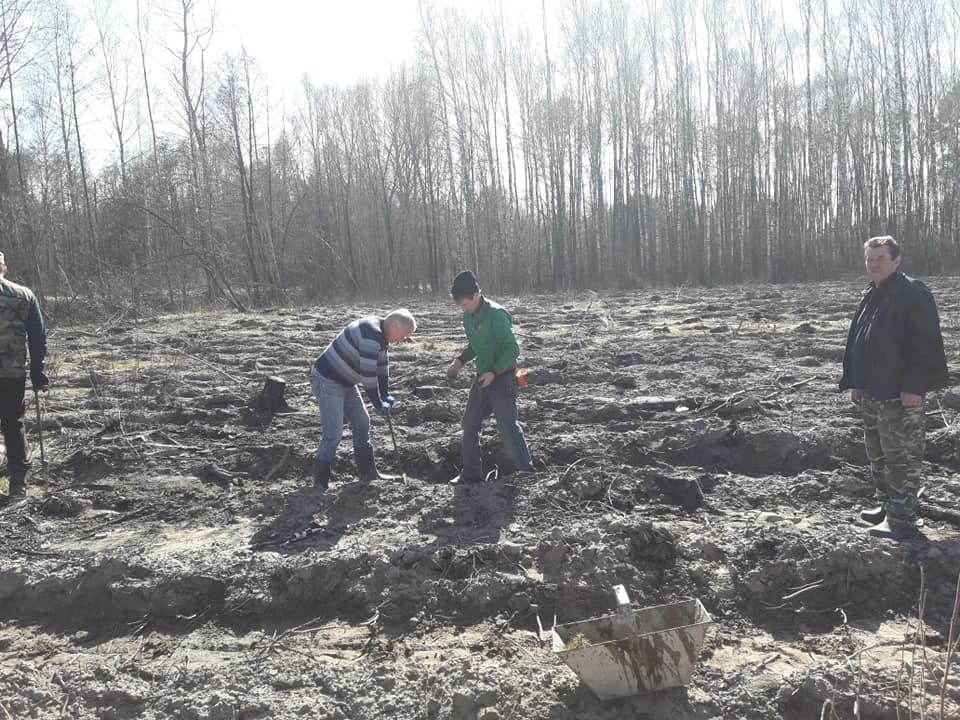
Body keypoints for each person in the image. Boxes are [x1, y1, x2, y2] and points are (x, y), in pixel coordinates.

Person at [839, 236, 948, 540]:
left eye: (882, 258)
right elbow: (863, 342)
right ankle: (886, 506)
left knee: (902, 457)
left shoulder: (912, 293)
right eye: (870, 259)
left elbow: (926, 345)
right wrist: (857, 382)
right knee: (877, 453)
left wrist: (915, 386)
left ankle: (901, 520)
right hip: (873, 391)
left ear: (897, 260)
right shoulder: (873, 294)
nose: (874, 264)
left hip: (901, 395)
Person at [309, 309, 416, 490]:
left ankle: (368, 473)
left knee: (362, 422)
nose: (403, 339)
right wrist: (377, 403)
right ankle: (320, 483)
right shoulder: (371, 335)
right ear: (393, 325)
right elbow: (368, 376)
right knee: (333, 434)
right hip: (327, 380)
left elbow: (382, 368)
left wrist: (384, 394)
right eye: (403, 335)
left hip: (346, 382)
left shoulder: (382, 335)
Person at [447, 270, 533, 484]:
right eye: (460, 305)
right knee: (470, 423)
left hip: (502, 377)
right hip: (482, 378)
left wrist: (494, 372)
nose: (463, 308)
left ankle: (526, 473)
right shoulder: (468, 316)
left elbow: (512, 349)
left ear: (476, 295)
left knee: (507, 425)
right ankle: (471, 474)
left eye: (465, 303)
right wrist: (459, 361)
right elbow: (476, 345)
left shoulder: (497, 315)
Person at [0, 252, 48, 503]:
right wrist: (38, 372)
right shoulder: (24, 295)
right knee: (12, 424)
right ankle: (18, 482)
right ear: (4, 269)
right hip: (12, 372)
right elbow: (38, 337)